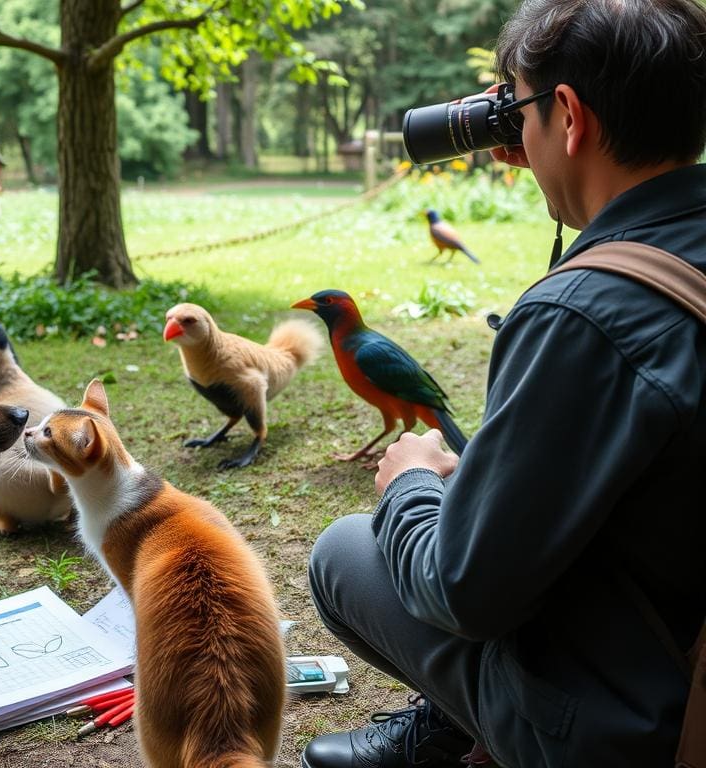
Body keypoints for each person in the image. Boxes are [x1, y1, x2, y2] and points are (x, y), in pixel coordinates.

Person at [301, 1, 706, 766]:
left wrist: (411, 484)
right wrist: (565, 172)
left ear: (570, 115)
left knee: (347, 550)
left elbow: (464, 593)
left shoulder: (582, 318)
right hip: (681, 627)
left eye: (516, 111)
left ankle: (490, 728)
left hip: (630, 728)